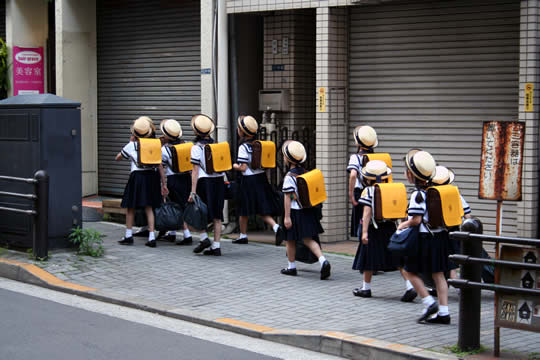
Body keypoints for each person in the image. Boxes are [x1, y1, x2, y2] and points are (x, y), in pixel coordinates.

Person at [397, 149, 450, 324]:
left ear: (411, 175)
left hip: (425, 239)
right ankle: (444, 312)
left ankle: (428, 302)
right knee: (439, 275)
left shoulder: (417, 195)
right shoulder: (438, 190)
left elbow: (416, 220)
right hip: (441, 237)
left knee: (410, 271)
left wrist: (401, 225)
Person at [280, 140, 331, 280]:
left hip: (296, 212)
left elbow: (288, 198)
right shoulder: (306, 173)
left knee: (290, 239)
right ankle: (323, 261)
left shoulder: (289, 177)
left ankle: (291, 267)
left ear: (288, 159)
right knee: (308, 239)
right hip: (308, 211)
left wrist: (287, 217)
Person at [116, 116, 168, 247]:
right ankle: (151, 237)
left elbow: (118, 158)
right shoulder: (156, 145)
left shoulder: (131, 145)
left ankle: (128, 235)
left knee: (131, 206)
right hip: (152, 176)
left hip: (137, 177)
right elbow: (160, 165)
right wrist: (164, 183)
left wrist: (130, 142)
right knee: (149, 207)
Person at [232, 115, 283, 244]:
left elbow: (243, 167)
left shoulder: (243, 147)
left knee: (244, 208)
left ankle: (243, 235)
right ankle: (276, 227)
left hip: (248, 180)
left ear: (243, 131)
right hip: (261, 178)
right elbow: (267, 166)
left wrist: (233, 166)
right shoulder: (261, 145)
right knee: (261, 208)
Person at [352, 160, 398, 297]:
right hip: (390, 227)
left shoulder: (368, 191)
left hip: (374, 227)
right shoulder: (392, 188)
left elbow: (366, 213)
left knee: (368, 258)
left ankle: (366, 288)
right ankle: (409, 286)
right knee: (398, 259)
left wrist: (364, 232)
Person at [189, 114, 226, 256]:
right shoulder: (216, 145)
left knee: (198, 211)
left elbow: (195, 171)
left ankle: (204, 237)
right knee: (217, 215)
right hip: (219, 181)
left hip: (204, 182)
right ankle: (216, 246)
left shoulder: (196, 148)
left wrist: (192, 191)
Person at [430, 165, 472, 281]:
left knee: (439, 262)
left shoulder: (430, 194)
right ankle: (458, 285)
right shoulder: (455, 193)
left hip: (436, 233)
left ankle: (440, 285)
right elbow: (467, 214)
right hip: (453, 231)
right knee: (453, 261)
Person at [158, 119, 193, 245]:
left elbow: (161, 167)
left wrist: (164, 184)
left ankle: (186, 234)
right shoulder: (188, 145)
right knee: (183, 204)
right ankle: (172, 233)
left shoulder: (164, 150)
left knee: (176, 206)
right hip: (186, 179)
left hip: (173, 179)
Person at [347, 125, 377, 239]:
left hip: (360, 193)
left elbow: (353, 175)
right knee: (371, 224)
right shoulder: (377, 157)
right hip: (374, 192)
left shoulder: (356, 157)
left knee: (361, 224)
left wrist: (351, 194)